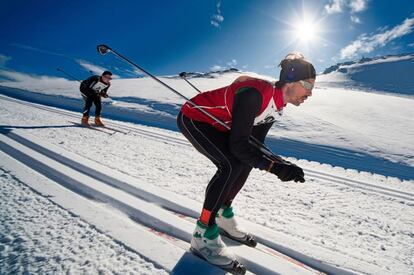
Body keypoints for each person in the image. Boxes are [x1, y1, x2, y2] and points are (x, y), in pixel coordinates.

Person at [176, 52, 316, 268]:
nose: (310, 93)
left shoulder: (276, 108)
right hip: (195, 118)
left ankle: (222, 213)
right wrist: (273, 167)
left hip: (220, 126)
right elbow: (239, 146)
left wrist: (281, 163)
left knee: (244, 162)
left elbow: (254, 145)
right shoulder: (255, 94)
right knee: (230, 164)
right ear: (291, 80)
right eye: (308, 86)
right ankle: (202, 233)